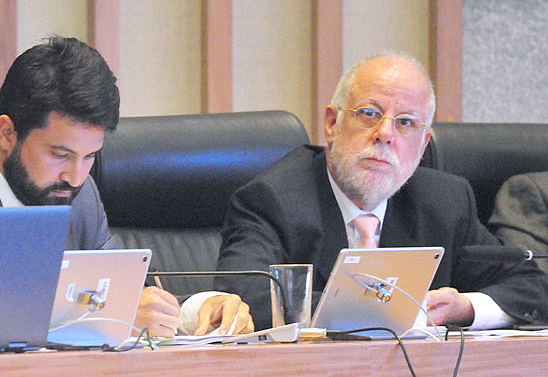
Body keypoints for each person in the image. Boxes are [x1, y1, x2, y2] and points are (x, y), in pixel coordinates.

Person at [0, 35, 252, 342]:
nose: (76, 176)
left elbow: (128, 296)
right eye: (60, 155)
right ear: (7, 133)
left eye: (90, 157)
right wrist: (108, 316)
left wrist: (196, 312)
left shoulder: (76, 195)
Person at [219, 53, 548, 328]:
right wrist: (395, 309)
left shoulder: (444, 201)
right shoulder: (273, 199)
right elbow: (242, 297)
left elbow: (533, 287)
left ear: (423, 146)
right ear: (332, 124)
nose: (385, 134)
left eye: (405, 122)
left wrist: (465, 308)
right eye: (369, 114)